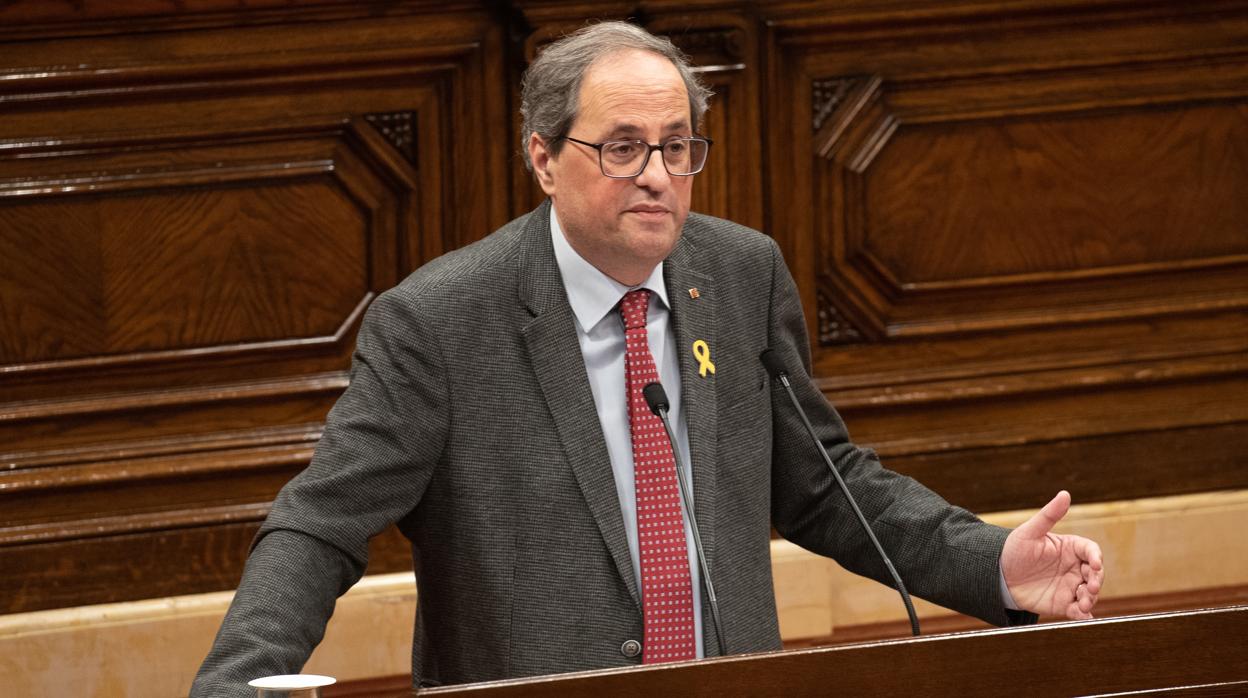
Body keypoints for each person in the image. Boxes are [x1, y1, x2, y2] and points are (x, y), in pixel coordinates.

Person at [192, 21, 1104, 695]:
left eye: (676, 146)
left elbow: (827, 487)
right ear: (544, 158)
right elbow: (322, 523)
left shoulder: (742, 274)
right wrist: (237, 682)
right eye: (624, 148)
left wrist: (991, 564)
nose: (659, 175)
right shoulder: (439, 322)